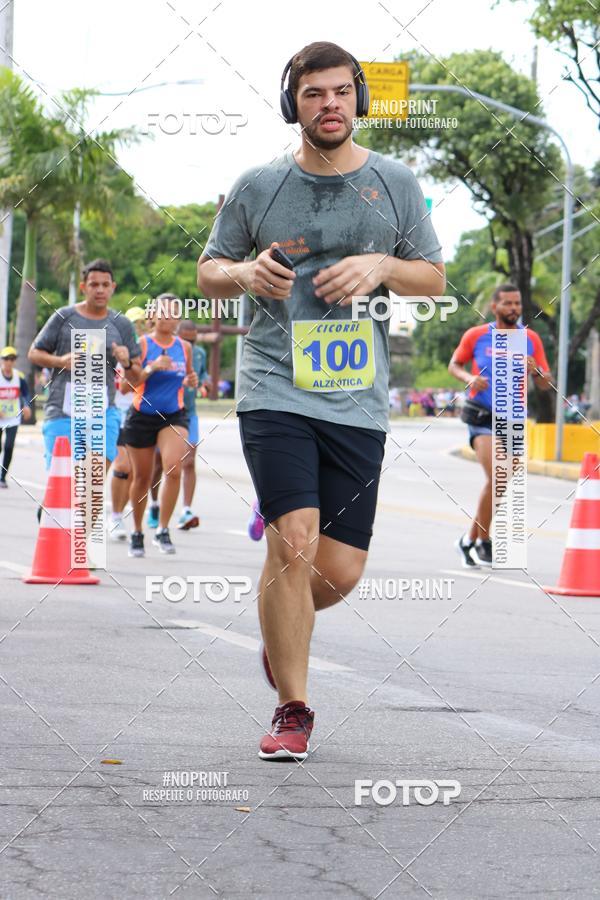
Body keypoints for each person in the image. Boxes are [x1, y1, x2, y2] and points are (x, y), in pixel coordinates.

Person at [198, 41, 445, 761]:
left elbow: (431, 277)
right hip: (275, 387)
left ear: (358, 101)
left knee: (335, 572)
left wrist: (382, 265)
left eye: (341, 92)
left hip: (357, 400)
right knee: (294, 537)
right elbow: (210, 270)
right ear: (292, 104)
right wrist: (245, 273)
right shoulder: (259, 186)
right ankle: (292, 708)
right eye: (313, 94)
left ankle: (285, 633)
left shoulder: (395, 184)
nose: (329, 104)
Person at [448, 283, 552, 567]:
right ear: (495, 307)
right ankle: (481, 541)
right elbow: (454, 364)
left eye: (517, 304)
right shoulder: (478, 335)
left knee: (501, 481)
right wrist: (468, 379)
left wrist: (537, 371)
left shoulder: (530, 339)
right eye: (507, 303)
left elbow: (546, 384)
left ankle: (471, 539)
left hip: (513, 417)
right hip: (482, 414)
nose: (514, 309)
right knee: (498, 473)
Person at [28, 259, 141, 472]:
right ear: (83, 287)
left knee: (91, 488)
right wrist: (60, 361)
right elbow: (33, 353)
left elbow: (137, 377)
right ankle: (49, 507)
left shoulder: (121, 324)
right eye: (94, 284)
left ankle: (84, 505)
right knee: (63, 485)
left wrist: (126, 362)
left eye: (105, 285)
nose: (100, 290)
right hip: (63, 412)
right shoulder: (64, 317)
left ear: (113, 288)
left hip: (102, 413)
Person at [121, 294, 198, 557]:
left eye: (174, 313)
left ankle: (163, 529)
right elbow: (125, 385)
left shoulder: (184, 347)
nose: (169, 318)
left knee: (174, 468)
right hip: (142, 415)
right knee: (141, 478)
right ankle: (137, 531)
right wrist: (151, 368)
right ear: (153, 316)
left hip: (173, 415)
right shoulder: (141, 345)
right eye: (164, 312)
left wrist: (191, 381)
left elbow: (187, 377)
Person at [110, 307, 149, 542]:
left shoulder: (147, 351)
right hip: (116, 411)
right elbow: (125, 386)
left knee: (134, 472)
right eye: (134, 324)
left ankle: (117, 513)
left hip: (137, 414)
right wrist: (137, 370)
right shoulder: (118, 351)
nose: (138, 328)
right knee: (123, 465)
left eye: (142, 323)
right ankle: (114, 516)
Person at [176, 320, 208, 530]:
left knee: (189, 460)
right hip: (168, 412)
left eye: (193, 339)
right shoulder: (169, 351)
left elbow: (202, 374)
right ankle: (154, 504)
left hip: (190, 413)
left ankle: (186, 509)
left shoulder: (199, 354)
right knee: (159, 464)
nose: (189, 343)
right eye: (185, 339)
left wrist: (204, 384)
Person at [0, 346, 32, 486]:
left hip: (13, 417)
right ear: (2, 360)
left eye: (12, 359)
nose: (9, 362)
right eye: (7, 359)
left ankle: (2, 477)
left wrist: (26, 405)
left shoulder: (19, 376)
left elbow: (25, 393)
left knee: (8, 446)